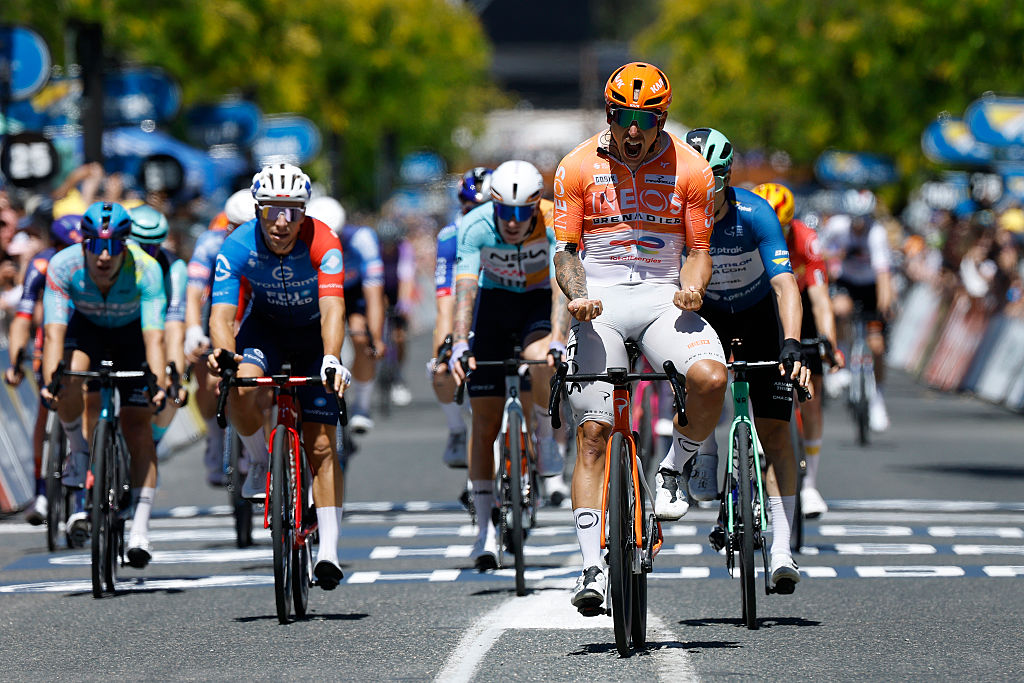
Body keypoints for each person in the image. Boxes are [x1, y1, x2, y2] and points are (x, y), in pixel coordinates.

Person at [552, 62, 729, 614]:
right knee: (593, 433)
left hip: (660, 298)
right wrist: (576, 295)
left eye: (646, 119)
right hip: (598, 299)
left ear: (662, 119)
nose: (634, 129)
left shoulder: (692, 169)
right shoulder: (575, 166)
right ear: (609, 114)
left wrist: (693, 290)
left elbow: (698, 252)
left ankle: (675, 466)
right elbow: (565, 251)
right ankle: (590, 568)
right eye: (623, 116)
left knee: (710, 377)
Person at [206, 163, 352, 589]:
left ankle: (328, 551)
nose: (282, 222)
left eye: (292, 211)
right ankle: (255, 457)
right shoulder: (236, 244)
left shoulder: (324, 241)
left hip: (312, 337)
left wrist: (331, 357)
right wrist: (225, 355)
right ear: (257, 210)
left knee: (321, 443)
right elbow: (221, 315)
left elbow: (333, 308)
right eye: (272, 210)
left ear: (305, 212)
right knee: (240, 386)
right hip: (264, 331)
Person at [685, 128, 812, 593]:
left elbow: (785, 285)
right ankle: (707, 450)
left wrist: (792, 342)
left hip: (759, 317)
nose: (705, 187)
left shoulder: (755, 213)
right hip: (707, 316)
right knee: (699, 382)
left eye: (714, 177)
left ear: (727, 176)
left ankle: (781, 549)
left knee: (776, 429)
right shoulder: (677, 217)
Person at [450, 159, 567, 571]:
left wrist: (557, 339)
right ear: (493, 204)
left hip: (537, 302)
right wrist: (460, 343)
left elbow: (561, 286)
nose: (514, 222)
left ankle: (544, 434)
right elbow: (464, 287)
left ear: (536, 205)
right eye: (506, 212)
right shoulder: (476, 225)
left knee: (542, 360)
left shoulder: (555, 219)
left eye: (523, 212)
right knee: (484, 424)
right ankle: (483, 532)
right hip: (494, 306)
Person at [39, 201, 168, 568]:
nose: (104, 256)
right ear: (83, 244)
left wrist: (156, 381)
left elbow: (155, 337)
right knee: (67, 380)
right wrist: (52, 379)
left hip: (133, 338)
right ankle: (79, 452)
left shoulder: (146, 270)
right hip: (87, 332)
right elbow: (53, 333)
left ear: (126, 245)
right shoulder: (63, 267)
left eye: (113, 247)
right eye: (96, 245)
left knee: (138, 427)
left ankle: (140, 528)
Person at [753, 183, 844, 517]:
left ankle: (810, 486)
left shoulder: (807, 240)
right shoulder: (747, 231)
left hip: (798, 306)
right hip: (761, 304)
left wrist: (828, 343)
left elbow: (820, 301)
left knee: (813, 400)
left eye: (782, 229)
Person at [5, 214, 83, 524]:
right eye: (64, 246)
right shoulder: (41, 265)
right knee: (45, 410)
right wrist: (14, 361)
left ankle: (84, 488)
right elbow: (22, 318)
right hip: (49, 341)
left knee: (86, 407)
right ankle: (41, 489)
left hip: (84, 340)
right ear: (53, 245)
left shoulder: (89, 264)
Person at [183, 189, 255, 485]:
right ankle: (215, 437)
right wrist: (192, 331)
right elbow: (193, 292)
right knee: (208, 379)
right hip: (217, 307)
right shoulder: (211, 243)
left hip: (253, 306)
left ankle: (261, 448)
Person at [308, 198, 385, 436]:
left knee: (361, 337)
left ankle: (362, 406)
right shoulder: (306, 241)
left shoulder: (363, 239)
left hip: (353, 292)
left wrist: (376, 336)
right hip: (319, 293)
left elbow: (374, 293)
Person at [432, 167, 491, 468]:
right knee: (441, 370)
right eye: (471, 208)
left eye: (485, 208)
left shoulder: (512, 228)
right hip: (467, 310)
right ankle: (457, 430)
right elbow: (446, 303)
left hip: (502, 306)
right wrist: (444, 350)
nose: (478, 215)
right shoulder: (451, 236)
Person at [820, 191, 893, 431]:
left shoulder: (877, 234)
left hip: (871, 286)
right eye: (855, 219)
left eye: (863, 219)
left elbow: (883, 274)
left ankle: (877, 399)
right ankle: (842, 356)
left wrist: (885, 305)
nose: (859, 225)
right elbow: (818, 252)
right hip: (847, 282)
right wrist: (836, 256)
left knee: (877, 346)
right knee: (840, 310)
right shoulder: (837, 227)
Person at [130, 205, 188, 444]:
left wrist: (176, 377)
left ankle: (150, 444)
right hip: (119, 328)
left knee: (173, 394)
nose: (147, 253)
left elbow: (174, 328)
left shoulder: (174, 268)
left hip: (156, 331)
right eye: (141, 246)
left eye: (153, 247)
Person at [376, 218, 417, 407]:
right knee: (376, 325)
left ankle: (398, 373)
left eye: (391, 244)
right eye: (385, 244)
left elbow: (406, 278)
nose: (388, 247)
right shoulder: (375, 250)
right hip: (379, 288)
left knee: (399, 337)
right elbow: (372, 280)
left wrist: (404, 306)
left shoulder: (404, 249)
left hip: (397, 289)